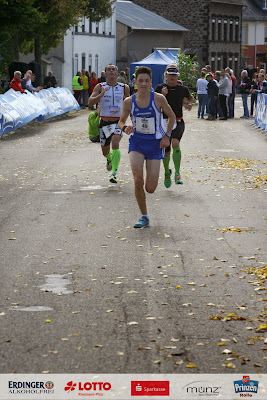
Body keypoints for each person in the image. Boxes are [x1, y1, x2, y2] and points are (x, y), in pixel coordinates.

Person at [118, 66, 176, 228]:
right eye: (140, 81)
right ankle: (144, 216)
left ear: (151, 82)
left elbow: (171, 117)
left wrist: (167, 136)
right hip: (136, 143)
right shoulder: (129, 101)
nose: (143, 84)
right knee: (137, 180)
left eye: (146, 81)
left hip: (155, 144)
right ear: (135, 82)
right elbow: (121, 121)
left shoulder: (158, 99)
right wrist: (125, 128)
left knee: (150, 188)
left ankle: (163, 174)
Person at [88, 64, 130, 183]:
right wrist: (100, 95)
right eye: (109, 70)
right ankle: (109, 159)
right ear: (105, 74)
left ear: (117, 74)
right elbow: (90, 102)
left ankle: (114, 174)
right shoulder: (100, 86)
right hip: (104, 122)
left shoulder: (124, 87)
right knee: (105, 151)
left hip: (118, 122)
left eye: (114, 70)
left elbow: (129, 103)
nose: (111, 71)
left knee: (115, 142)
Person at [155, 64, 193, 188]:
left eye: (174, 75)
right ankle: (167, 172)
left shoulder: (183, 89)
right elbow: (155, 105)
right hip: (164, 122)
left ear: (177, 76)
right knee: (166, 150)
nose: (172, 77)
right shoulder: (159, 88)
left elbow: (190, 97)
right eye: (170, 75)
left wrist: (189, 103)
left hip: (178, 121)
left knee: (175, 143)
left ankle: (177, 172)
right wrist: (163, 95)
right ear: (165, 75)